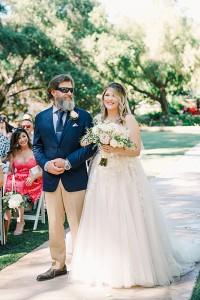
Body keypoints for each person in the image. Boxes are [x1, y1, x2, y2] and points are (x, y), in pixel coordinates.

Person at [70, 82, 199, 288]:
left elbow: (136, 150)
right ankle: (105, 267)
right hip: (101, 174)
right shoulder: (98, 120)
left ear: (121, 99)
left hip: (125, 175)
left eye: (114, 95)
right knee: (103, 215)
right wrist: (93, 141)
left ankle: (135, 268)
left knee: (128, 215)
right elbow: (88, 144)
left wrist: (114, 149)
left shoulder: (128, 119)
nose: (109, 98)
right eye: (106, 95)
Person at [33, 74, 96, 281]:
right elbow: (37, 146)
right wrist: (46, 164)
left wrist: (68, 162)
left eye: (71, 90)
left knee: (78, 225)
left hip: (75, 178)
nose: (69, 93)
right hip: (51, 180)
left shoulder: (83, 116)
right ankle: (58, 265)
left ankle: (82, 266)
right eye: (64, 89)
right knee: (54, 225)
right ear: (53, 92)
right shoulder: (41, 117)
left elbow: (90, 147)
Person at [4, 127, 42, 237]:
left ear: (27, 136)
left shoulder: (35, 150)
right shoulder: (14, 153)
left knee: (18, 186)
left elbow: (43, 169)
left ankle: (20, 221)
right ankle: (7, 218)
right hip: (18, 179)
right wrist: (10, 180)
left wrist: (33, 177)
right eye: (19, 138)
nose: (22, 139)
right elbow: (11, 170)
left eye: (24, 136)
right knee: (9, 184)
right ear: (16, 140)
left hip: (33, 179)